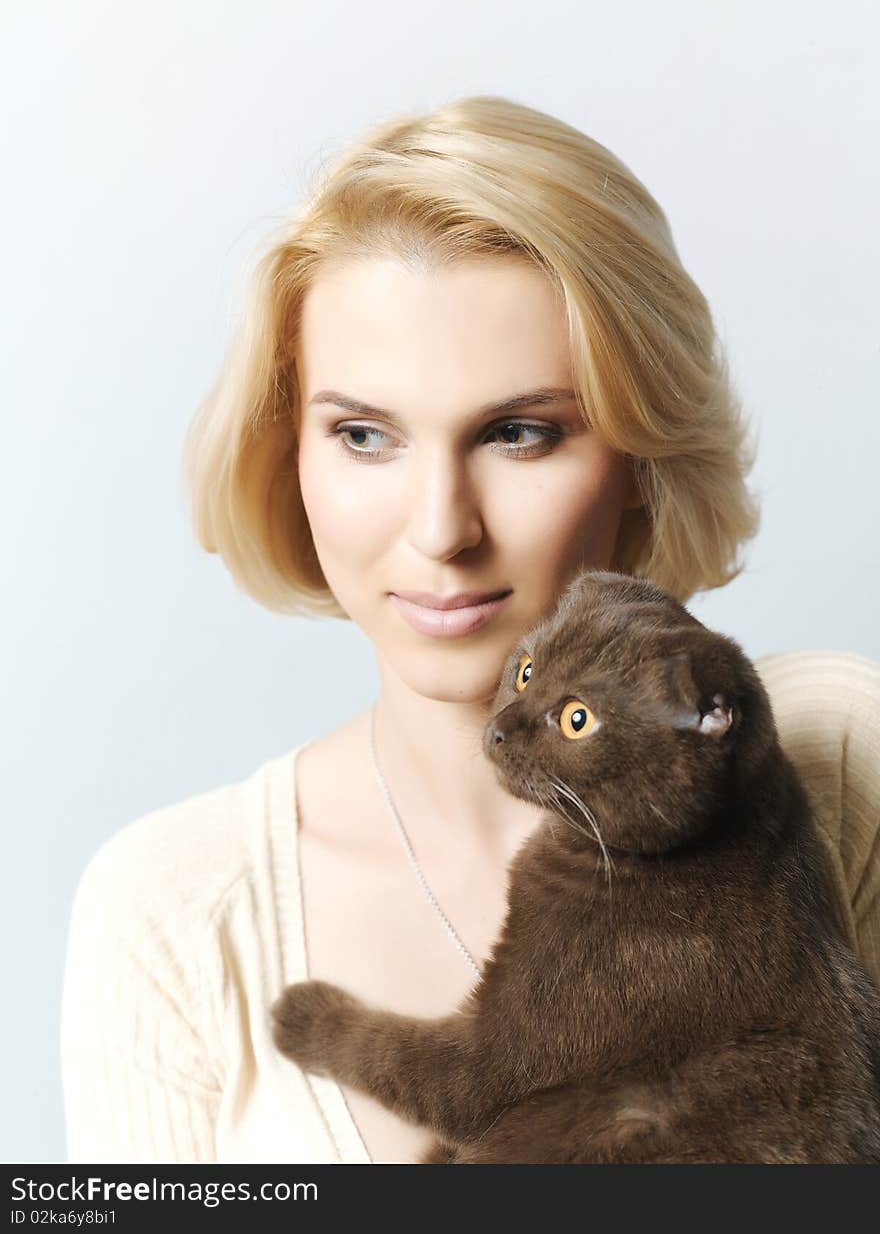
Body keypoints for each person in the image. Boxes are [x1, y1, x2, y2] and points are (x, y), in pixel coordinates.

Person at [60, 95, 880, 1164]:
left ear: (640, 458)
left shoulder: (833, 757)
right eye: (364, 435)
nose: (441, 529)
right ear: (287, 457)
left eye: (521, 434)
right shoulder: (174, 910)